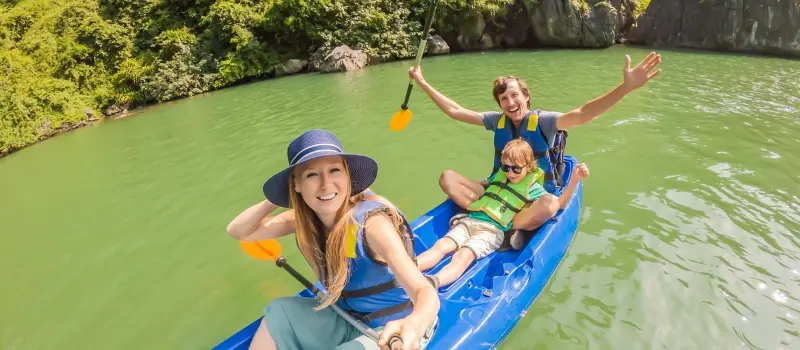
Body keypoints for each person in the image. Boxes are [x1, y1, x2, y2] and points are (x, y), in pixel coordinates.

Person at [226, 129, 440, 350]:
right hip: (346, 316)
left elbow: (424, 292)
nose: (325, 184)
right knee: (279, 312)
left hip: (392, 328)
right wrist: (279, 195)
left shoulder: (372, 225)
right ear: (296, 185)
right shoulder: (304, 220)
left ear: (347, 176)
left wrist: (413, 325)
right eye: (311, 175)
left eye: (334, 171)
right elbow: (239, 231)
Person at [407, 52, 662, 234]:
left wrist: (625, 88)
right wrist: (422, 82)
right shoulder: (497, 121)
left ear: (526, 96)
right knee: (447, 178)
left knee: (550, 204)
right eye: (504, 99)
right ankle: (490, 213)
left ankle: (507, 223)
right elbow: (455, 111)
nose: (510, 103)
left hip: (531, 198)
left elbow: (584, 114)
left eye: (514, 95)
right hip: (500, 192)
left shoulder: (545, 122)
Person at [415, 139, 588, 287]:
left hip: (492, 231)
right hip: (470, 220)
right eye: (506, 167)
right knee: (441, 246)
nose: (510, 172)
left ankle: (433, 282)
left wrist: (574, 180)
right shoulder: (501, 176)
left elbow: (559, 205)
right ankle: (408, 271)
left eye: (516, 169)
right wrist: (461, 192)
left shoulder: (532, 188)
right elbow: (486, 185)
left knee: (463, 255)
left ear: (528, 167)